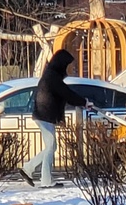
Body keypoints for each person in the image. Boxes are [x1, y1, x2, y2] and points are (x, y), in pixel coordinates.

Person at [20, 49, 94, 188]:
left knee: (51, 147)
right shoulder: (52, 77)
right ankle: (45, 180)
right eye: (68, 65)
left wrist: (82, 103)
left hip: (44, 115)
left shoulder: (51, 76)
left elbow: (63, 96)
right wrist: (83, 102)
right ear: (62, 64)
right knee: (50, 147)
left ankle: (29, 169)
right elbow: (67, 94)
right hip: (45, 116)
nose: (69, 69)